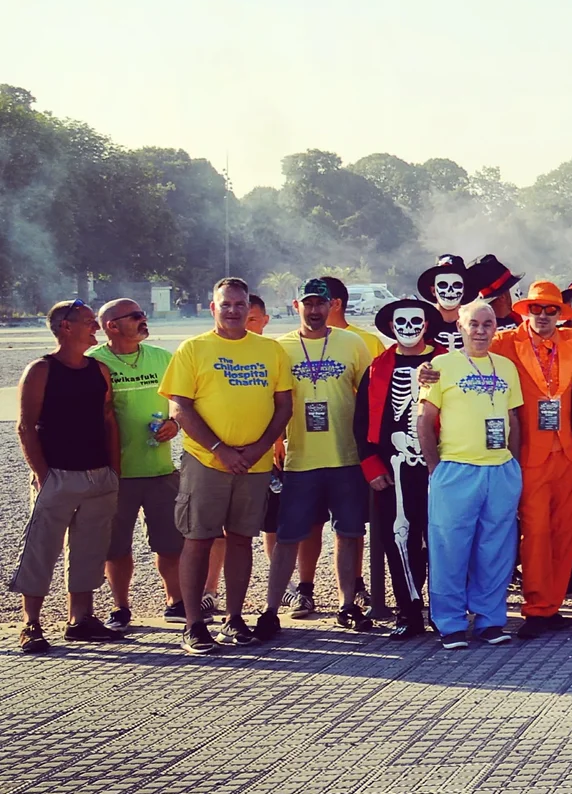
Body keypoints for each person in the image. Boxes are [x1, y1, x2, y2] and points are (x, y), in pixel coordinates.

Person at [162, 278, 295, 654]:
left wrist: (258, 449)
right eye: (226, 304)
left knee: (241, 539)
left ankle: (234, 619)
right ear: (212, 307)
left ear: (248, 308)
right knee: (199, 538)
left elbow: (284, 405)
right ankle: (193, 625)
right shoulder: (193, 349)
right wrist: (220, 449)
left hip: (253, 464)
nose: (233, 310)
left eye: (239, 304)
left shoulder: (269, 350)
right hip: (207, 461)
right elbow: (180, 408)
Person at [11, 301, 123, 652]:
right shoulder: (41, 370)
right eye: (89, 322)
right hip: (57, 475)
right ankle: (31, 623)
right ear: (65, 327)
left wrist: (113, 471)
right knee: (41, 547)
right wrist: (42, 475)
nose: (96, 328)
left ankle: (81, 619)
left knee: (90, 549)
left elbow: (108, 421)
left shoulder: (99, 370)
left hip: (98, 476)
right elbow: (26, 427)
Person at [418, 300, 523, 649]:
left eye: (487, 324)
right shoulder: (440, 366)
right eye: (474, 324)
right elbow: (424, 419)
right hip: (457, 470)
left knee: (496, 549)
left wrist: (514, 463)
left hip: (500, 470)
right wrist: (436, 468)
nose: (480, 331)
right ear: (460, 328)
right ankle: (449, 623)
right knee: (450, 548)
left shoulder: (506, 366)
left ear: (496, 328)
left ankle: (490, 620)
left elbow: (515, 420)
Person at [270, 279, 372, 624]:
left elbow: (371, 396)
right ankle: (288, 599)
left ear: (332, 306)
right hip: (301, 457)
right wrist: (275, 441)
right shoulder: (280, 348)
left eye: (320, 304)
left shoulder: (352, 343)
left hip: (346, 455)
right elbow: (272, 400)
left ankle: (347, 603)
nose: (314, 311)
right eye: (308, 304)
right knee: (293, 532)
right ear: (296, 306)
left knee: (349, 532)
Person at [490, 280, 572, 636]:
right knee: (536, 532)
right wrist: (429, 372)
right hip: (529, 453)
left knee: (565, 532)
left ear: (560, 314)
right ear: (524, 311)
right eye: (536, 309)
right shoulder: (503, 343)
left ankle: (552, 605)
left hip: (568, 452)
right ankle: (535, 608)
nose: (543, 316)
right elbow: (467, 351)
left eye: (551, 310)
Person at [90, 297, 182, 628]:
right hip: (115, 475)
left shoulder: (161, 357)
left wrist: (175, 423)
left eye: (143, 314)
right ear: (111, 326)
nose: (144, 320)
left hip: (160, 471)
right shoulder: (93, 363)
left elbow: (179, 401)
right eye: (136, 316)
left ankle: (175, 601)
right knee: (116, 547)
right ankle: (120, 608)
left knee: (171, 544)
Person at [358, 297, 442, 639]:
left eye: (415, 322)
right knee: (399, 539)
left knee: (440, 538)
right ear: (392, 327)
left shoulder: (446, 362)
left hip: (440, 465)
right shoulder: (378, 368)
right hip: (394, 466)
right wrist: (370, 464)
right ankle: (408, 610)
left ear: (426, 325)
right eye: (401, 323)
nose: (409, 329)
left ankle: (443, 609)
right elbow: (361, 420)